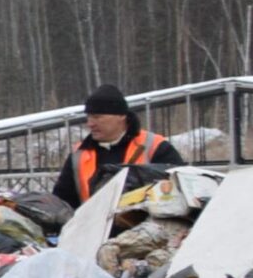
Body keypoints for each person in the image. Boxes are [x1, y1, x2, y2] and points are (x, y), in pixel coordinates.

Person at [51, 85, 179, 205]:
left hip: (145, 226)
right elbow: (62, 201)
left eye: (97, 116)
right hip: (93, 226)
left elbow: (180, 189)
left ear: (121, 116)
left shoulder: (155, 147)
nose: (90, 123)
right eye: (89, 117)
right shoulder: (78, 155)